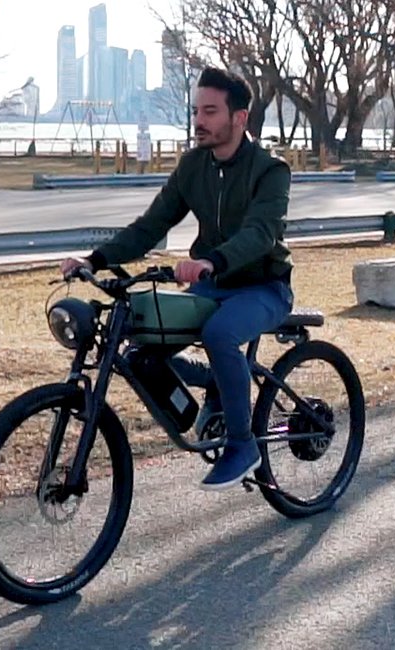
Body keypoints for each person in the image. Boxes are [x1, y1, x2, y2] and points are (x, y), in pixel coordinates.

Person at [61, 66, 293, 492]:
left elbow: (261, 233)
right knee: (140, 348)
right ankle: (220, 382)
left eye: (210, 111)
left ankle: (243, 446)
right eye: (196, 111)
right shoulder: (193, 166)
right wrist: (95, 259)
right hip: (213, 286)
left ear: (239, 117)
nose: (198, 120)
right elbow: (150, 226)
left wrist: (212, 262)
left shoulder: (270, 170)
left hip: (264, 287)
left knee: (220, 334)